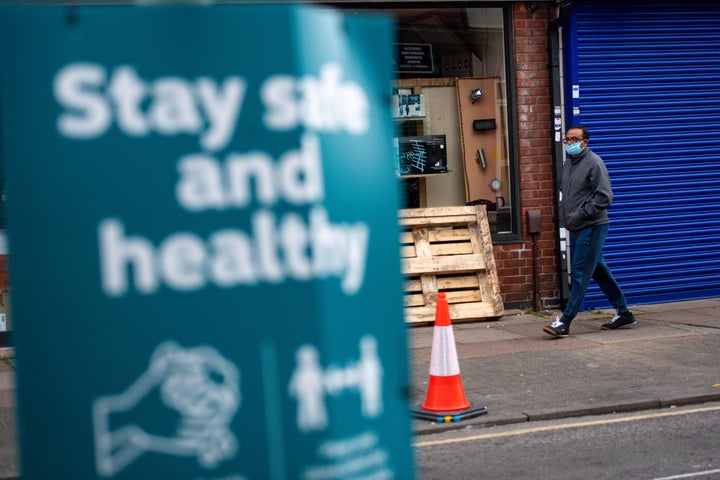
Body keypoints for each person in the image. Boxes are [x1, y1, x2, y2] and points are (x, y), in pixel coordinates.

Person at [544, 125, 636, 338]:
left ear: (585, 142)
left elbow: (604, 196)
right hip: (577, 226)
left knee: (579, 273)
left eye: (574, 139)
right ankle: (624, 313)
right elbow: (566, 192)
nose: (570, 143)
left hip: (592, 226)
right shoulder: (569, 164)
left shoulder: (594, 162)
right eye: (567, 139)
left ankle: (565, 322)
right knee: (597, 270)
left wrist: (581, 214)